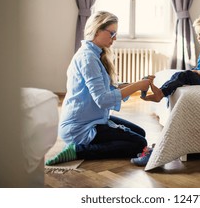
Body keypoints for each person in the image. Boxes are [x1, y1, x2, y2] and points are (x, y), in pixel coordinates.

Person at [46, 11, 154, 166]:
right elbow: (103, 100)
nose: (115, 38)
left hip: (93, 118)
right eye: (112, 33)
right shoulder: (88, 58)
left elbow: (109, 88)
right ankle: (78, 150)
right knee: (139, 143)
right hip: (80, 127)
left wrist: (137, 83)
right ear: (97, 31)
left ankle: (85, 147)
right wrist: (137, 86)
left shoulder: (95, 54)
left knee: (141, 134)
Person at [144, 14, 200, 103]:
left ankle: (161, 94)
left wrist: (198, 72)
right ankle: (161, 91)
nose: (198, 38)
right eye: (197, 35)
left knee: (185, 75)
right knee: (178, 74)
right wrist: (194, 71)